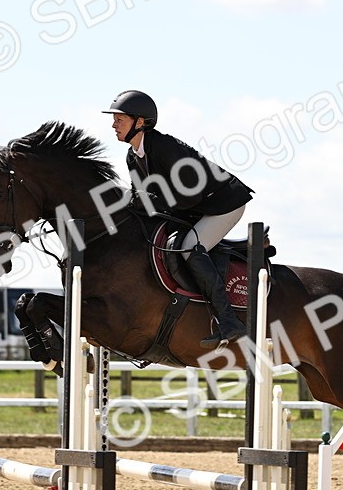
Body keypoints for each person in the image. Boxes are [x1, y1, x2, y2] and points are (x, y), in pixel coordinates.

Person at [103, 89, 253, 349]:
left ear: (140, 122)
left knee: (187, 248)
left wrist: (141, 200)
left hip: (223, 204)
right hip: (195, 208)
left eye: (120, 119)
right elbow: (145, 203)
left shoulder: (164, 147)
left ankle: (229, 322)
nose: (113, 125)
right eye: (114, 120)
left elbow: (187, 195)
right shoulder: (133, 156)